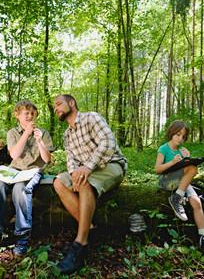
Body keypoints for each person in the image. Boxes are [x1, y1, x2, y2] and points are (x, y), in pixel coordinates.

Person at [53, 94, 127, 274]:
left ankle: (81, 243)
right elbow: (71, 160)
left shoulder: (91, 118)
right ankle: (91, 228)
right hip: (87, 170)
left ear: (72, 103)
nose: (56, 109)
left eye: (59, 104)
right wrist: (73, 174)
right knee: (58, 182)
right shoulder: (67, 135)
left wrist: (87, 168)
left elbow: (108, 143)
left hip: (111, 164)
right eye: (54, 107)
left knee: (85, 182)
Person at [0, 100, 54, 256]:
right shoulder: (12, 133)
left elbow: (47, 160)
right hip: (14, 170)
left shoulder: (43, 133)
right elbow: (14, 154)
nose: (30, 116)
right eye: (26, 113)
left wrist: (39, 140)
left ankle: (22, 237)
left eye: (33, 113)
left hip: (33, 171)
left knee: (21, 189)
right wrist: (26, 133)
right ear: (17, 115)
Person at [155, 120, 204, 258]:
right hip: (166, 181)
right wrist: (173, 162)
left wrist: (187, 158)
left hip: (181, 184)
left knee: (196, 201)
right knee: (192, 168)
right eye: (178, 134)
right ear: (171, 133)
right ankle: (176, 198)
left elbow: (186, 172)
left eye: (183, 136)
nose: (180, 138)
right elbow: (157, 169)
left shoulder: (182, 151)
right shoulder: (163, 149)